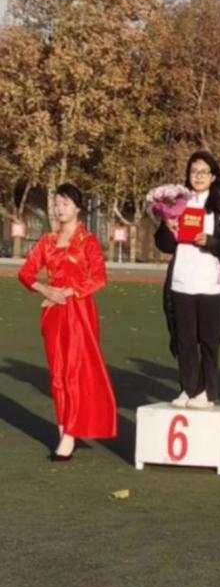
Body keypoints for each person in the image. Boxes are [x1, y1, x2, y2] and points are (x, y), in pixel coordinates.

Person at [18, 184, 117, 460]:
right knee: (57, 375)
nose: (60, 209)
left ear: (78, 208)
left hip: (79, 312)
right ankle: (64, 429)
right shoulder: (47, 241)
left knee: (74, 373)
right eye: (57, 204)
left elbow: (98, 278)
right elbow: (26, 273)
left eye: (65, 204)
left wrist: (69, 292)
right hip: (53, 312)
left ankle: (71, 433)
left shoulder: (88, 242)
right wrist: (46, 290)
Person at [155, 151, 220, 409]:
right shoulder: (178, 203)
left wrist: (210, 241)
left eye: (203, 172)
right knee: (184, 339)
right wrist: (168, 227)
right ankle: (188, 388)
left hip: (211, 282)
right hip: (182, 280)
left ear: (213, 176)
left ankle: (207, 392)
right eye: (193, 171)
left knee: (209, 340)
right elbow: (163, 244)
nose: (198, 176)